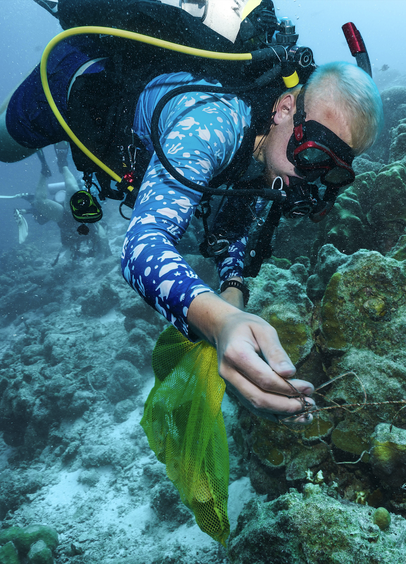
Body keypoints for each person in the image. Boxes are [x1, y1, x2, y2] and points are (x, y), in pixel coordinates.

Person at [0, 3, 384, 424]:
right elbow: (142, 245)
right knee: (6, 143)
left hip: (118, 139)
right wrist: (219, 324)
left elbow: (233, 235)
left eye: (330, 172)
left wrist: (233, 292)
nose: (309, 178)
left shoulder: (270, 151)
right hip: (71, 82)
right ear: (285, 108)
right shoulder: (214, 120)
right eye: (311, 154)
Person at [1, 143, 111, 258]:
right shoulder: (96, 229)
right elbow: (102, 235)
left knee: (39, 202)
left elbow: (67, 253)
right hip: (80, 213)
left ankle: (44, 170)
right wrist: (105, 252)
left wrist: (84, 254)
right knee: (73, 189)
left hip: (64, 219)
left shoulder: (73, 243)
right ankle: (63, 163)